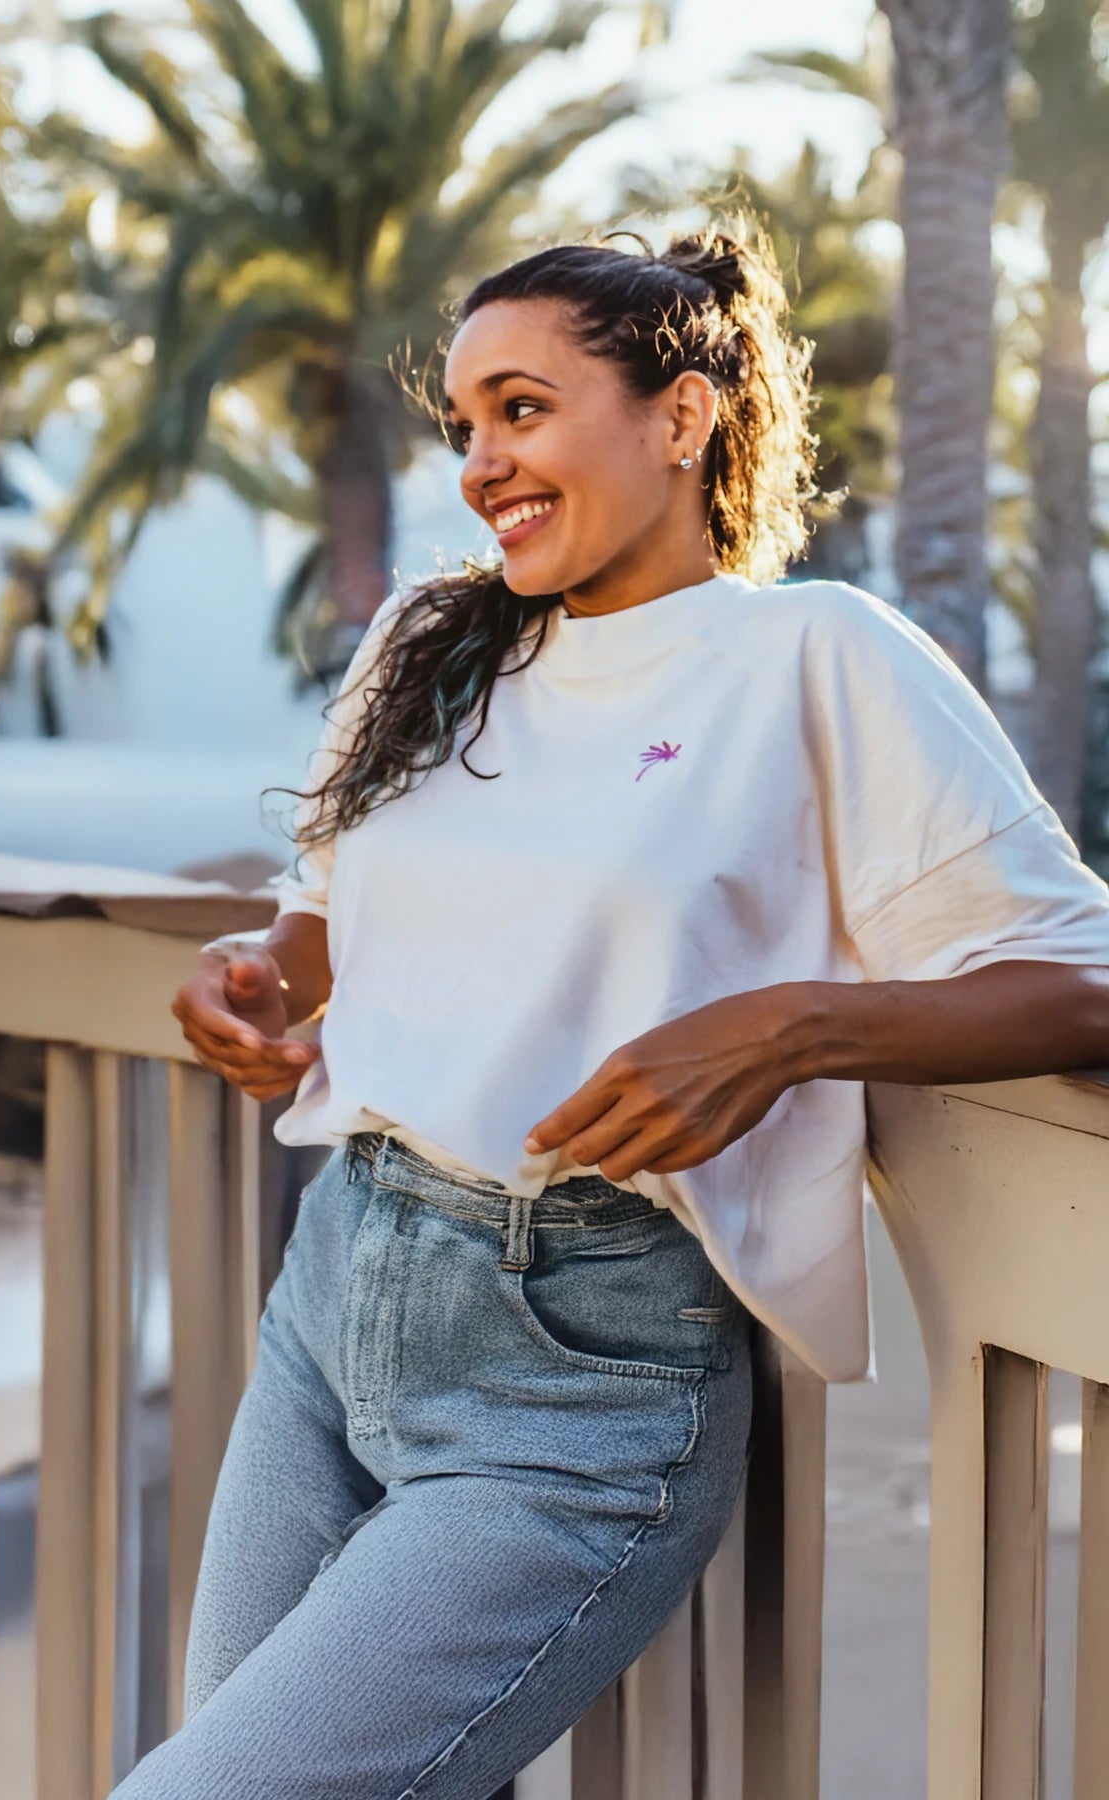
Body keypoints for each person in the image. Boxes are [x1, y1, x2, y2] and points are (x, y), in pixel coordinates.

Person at [122, 218, 1109, 1799]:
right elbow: (323, 914)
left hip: (579, 1365)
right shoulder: (429, 643)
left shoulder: (814, 656)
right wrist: (255, 976)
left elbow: (1081, 980)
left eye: (521, 408)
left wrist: (795, 1029)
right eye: (463, 425)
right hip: (337, 1290)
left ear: (681, 415)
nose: (479, 462)